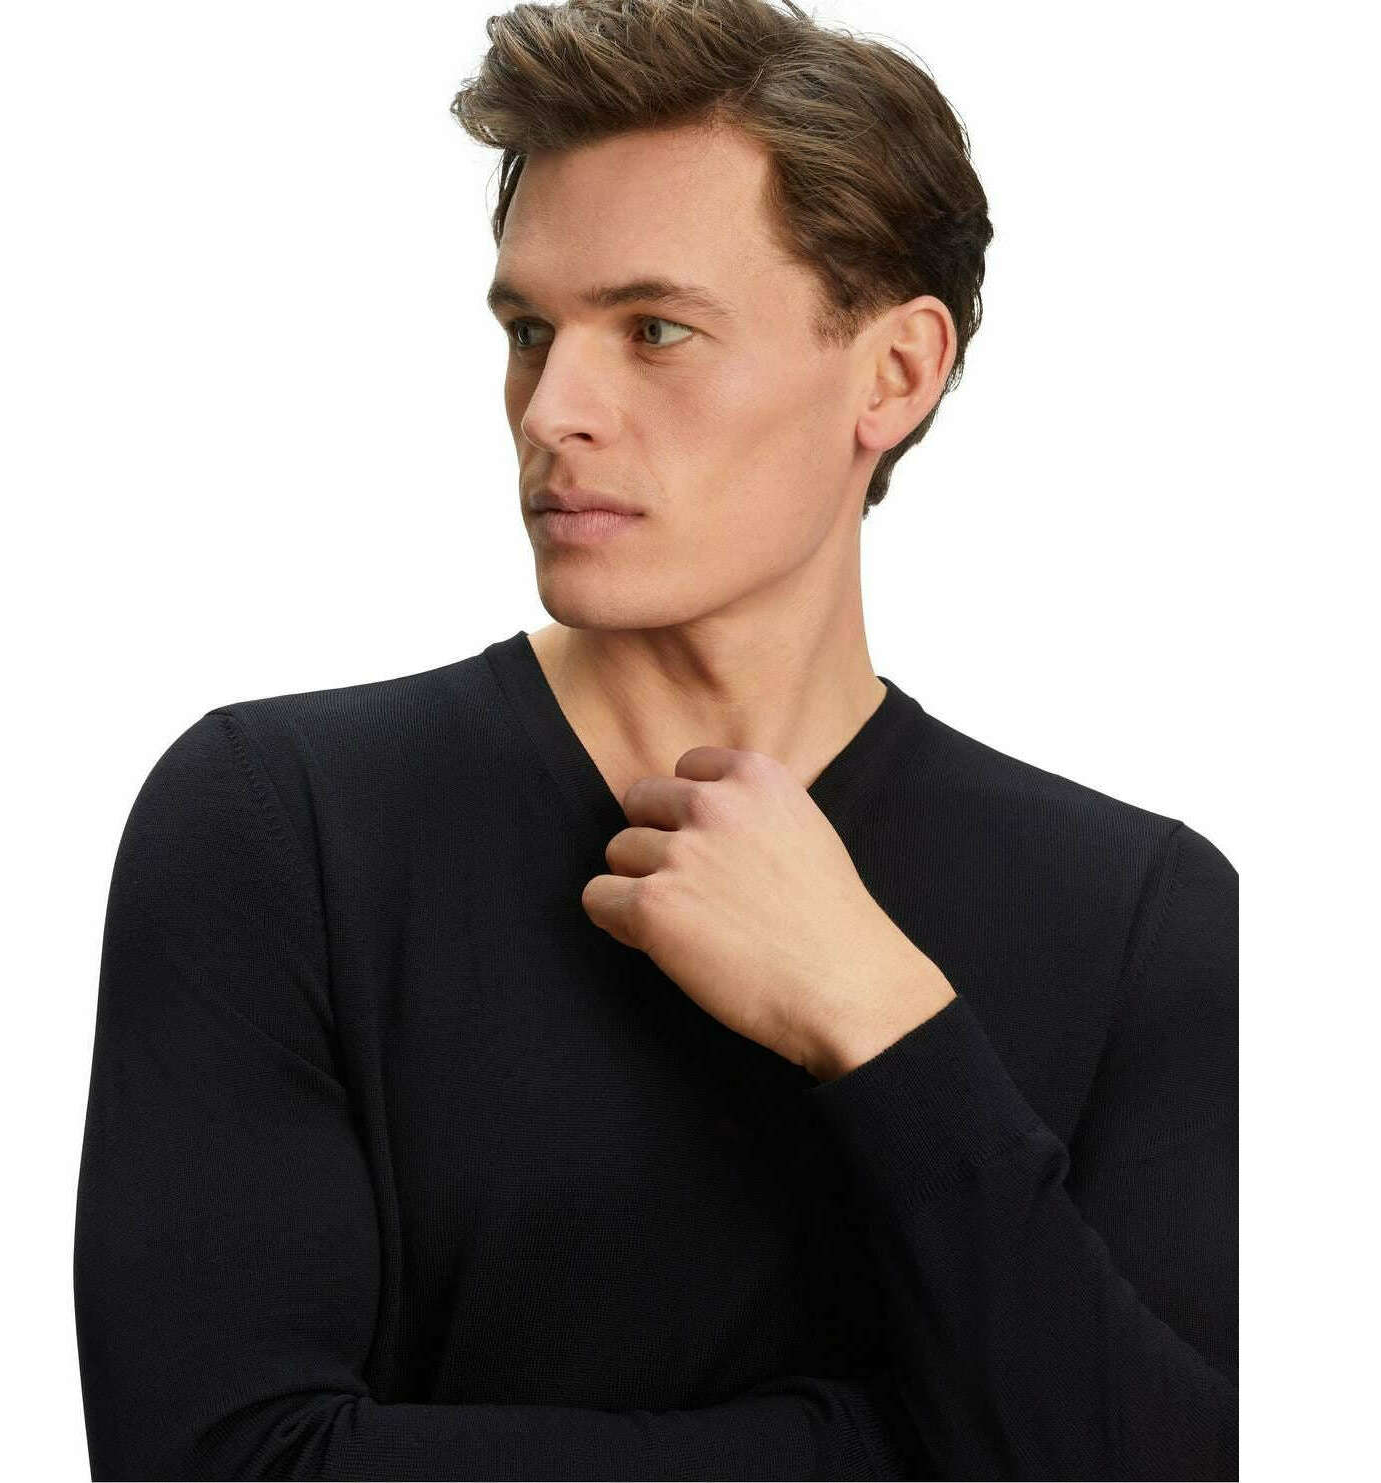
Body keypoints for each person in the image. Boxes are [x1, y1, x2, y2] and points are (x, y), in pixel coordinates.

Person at [72, 1, 1237, 1478]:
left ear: (895, 373)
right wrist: (894, 1451)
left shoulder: (1145, 918)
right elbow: (219, 1464)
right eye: (529, 332)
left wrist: (881, 1022)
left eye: (656, 331)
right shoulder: (276, 825)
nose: (553, 410)